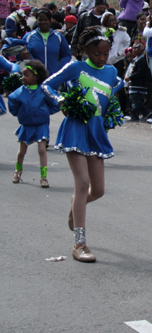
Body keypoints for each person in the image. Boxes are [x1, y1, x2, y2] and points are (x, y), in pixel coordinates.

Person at [42, 26, 124, 263]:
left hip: (96, 132)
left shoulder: (111, 71)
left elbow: (117, 84)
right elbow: (48, 85)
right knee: (82, 184)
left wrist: (110, 106)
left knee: (97, 191)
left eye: (106, 53)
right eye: (96, 53)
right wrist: (62, 100)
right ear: (85, 50)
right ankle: (79, 243)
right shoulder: (76, 67)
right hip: (76, 128)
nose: (102, 57)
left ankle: (75, 205)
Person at [8, 60, 59, 188]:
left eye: (26, 75)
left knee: (42, 150)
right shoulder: (20, 92)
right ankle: (17, 171)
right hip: (27, 125)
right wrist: (21, 114)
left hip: (41, 125)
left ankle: (43, 177)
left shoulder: (44, 91)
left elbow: (54, 102)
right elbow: (13, 103)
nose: (23, 77)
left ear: (36, 77)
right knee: (22, 151)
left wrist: (46, 112)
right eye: (23, 75)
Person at [23, 9, 71, 74]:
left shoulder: (58, 36)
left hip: (54, 77)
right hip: (35, 77)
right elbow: (20, 54)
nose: (43, 22)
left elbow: (66, 55)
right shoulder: (29, 36)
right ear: (37, 21)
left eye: (45, 19)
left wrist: (60, 68)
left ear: (50, 20)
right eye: (40, 20)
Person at [125, 42, 150, 122]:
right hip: (133, 84)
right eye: (133, 48)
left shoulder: (142, 60)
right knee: (134, 100)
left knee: (136, 101)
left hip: (138, 85)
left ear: (142, 49)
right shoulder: (135, 60)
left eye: (136, 48)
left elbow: (140, 72)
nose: (134, 50)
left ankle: (135, 116)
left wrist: (130, 77)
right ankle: (145, 113)